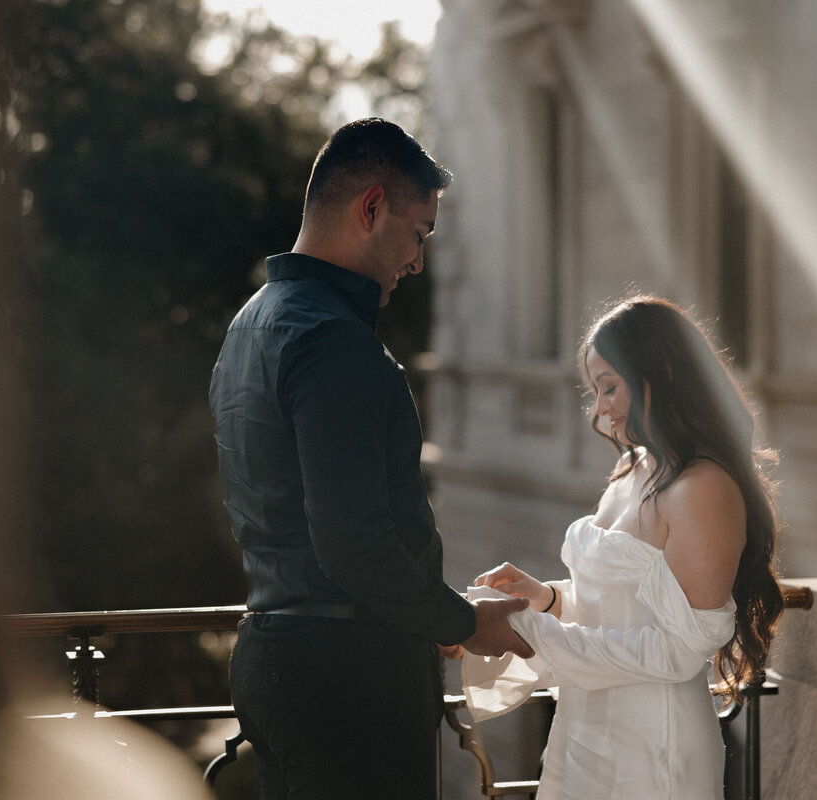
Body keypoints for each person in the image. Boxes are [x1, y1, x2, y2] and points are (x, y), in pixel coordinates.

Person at [208, 118, 532, 800]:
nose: (418, 262)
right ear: (372, 208)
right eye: (418, 234)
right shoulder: (333, 341)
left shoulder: (250, 322)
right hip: (348, 678)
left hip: (277, 659)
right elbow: (354, 545)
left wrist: (432, 612)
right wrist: (464, 622)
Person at [461, 295, 785, 800]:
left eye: (609, 387)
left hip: (655, 744)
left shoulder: (704, 489)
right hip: (584, 730)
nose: (600, 408)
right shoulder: (634, 467)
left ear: (662, 372)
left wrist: (528, 630)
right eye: (595, 390)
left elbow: (678, 649)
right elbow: (630, 600)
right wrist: (546, 599)